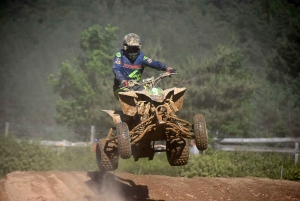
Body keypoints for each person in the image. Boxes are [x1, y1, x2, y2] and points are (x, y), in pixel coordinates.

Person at [112, 33, 176, 99]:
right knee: (130, 95)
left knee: (152, 93)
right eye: (130, 49)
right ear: (125, 48)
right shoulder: (120, 55)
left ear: (139, 48)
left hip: (137, 86)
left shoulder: (141, 57)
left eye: (135, 49)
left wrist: (166, 68)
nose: (133, 52)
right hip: (121, 87)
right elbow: (116, 69)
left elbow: (154, 63)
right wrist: (123, 80)